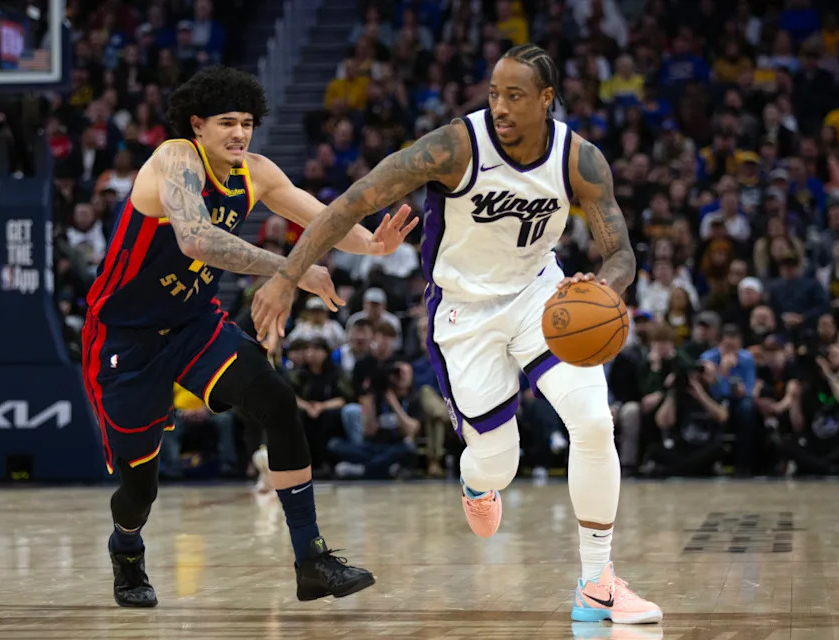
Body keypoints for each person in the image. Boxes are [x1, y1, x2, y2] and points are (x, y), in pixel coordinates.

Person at [252, 44, 662, 625]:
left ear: (547, 100)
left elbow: (620, 251)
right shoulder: (454, 146)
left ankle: (597, 582)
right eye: (494, 92)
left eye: (515, 96)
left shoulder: (580, 160)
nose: (499, 105)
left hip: (540, 298)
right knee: (498, 462)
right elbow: (352, 201)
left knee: (595, 421)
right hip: (463, 314)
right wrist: (288, 275)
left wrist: (607, 285)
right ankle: (477, 483)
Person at [82, 66, 416, 608]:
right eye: (226, 123)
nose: (240, 134)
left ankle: (311, 558)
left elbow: (324, 218)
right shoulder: (174, 160)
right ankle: (126, 547)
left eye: (247, 123)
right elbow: (195, 239)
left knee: (278, 401)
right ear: (197, 125)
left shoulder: (255, 172)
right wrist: (292, 269)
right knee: (140, 488)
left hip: (195, 324)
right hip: (126, 336)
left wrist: (371, 246)